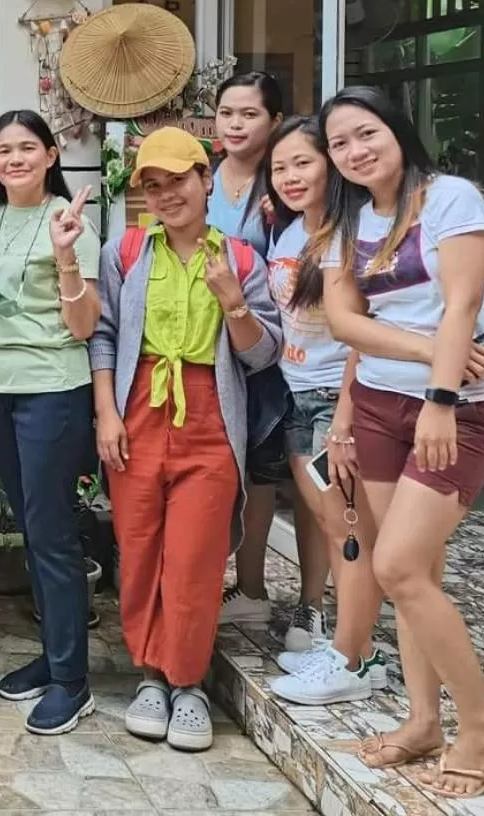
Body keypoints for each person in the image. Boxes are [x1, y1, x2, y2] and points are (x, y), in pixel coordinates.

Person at [316, 86, 484, 799]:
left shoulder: (452, 199)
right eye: (340, 144)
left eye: (366, 134)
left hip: (454, 413)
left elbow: (463, 302)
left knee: (398, 567)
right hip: (376, 404)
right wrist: (432, 354)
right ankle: (423, 720)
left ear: (398, 131)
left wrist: (441, 393)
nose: (355, 151)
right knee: (413, 572)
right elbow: (345, 321)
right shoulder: (349, 220)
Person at [91, 127, 281, 754]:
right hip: (137, 408)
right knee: (139, 548)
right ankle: (150, 674)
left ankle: (188, 682)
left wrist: (234, 304)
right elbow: (104, 335)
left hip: (209, 416)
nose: (166, 195)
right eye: (153, 185)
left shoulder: (242, 259)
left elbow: (263, 354)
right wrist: (106, 415)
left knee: (196, 557)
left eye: (177, 180)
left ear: (206, 178)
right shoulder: (125, 253)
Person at [0, 110, 102, 737]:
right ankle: (53, 657)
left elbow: (83, 328)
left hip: (52, 390)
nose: (14, 158)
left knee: (52, 535)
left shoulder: (72, 222)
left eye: (28, 148)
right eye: (3, 150)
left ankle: (73, 680)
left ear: (52, 155)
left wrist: (66, 256)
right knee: (30, 527)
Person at [260, 117, 387, 704]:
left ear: (330, 166)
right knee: (340, 528)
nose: (290, 176)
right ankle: (350, 648)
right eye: (279, 167)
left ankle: (354, 659)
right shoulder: (292, 234)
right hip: (297, 394)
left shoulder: (352, 235)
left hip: (336, 401)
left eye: (302, 163)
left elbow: (367, 332)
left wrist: (345, 416)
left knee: (348, 530)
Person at [206, 71, 288, 634]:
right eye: (227, 113)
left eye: (250, 114)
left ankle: (254, 585)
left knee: (261, 468)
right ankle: (218, 578)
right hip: (201, 349)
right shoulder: (203, 180)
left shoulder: (282, 185)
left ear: (275, 122)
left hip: (262, 346)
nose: (236, 124)